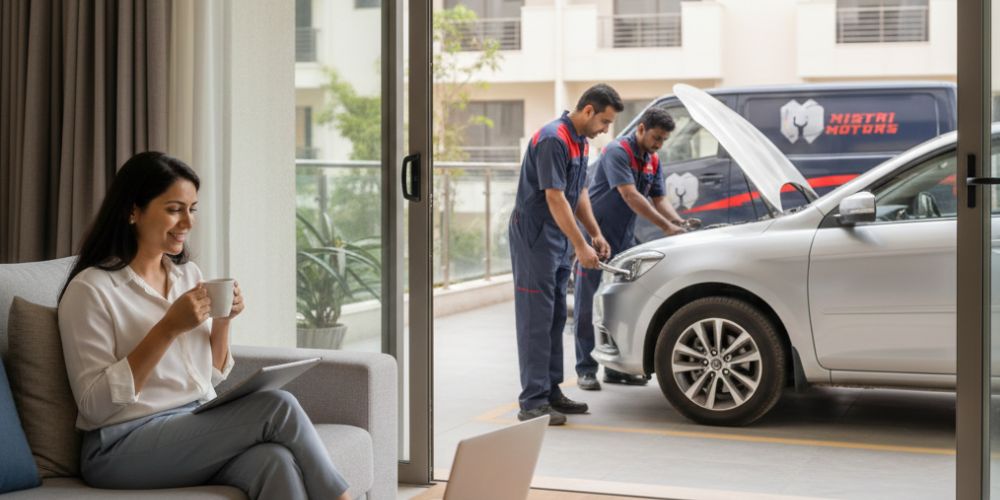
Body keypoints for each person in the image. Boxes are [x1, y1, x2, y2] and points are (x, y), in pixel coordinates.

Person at [57, 152, 351, 500]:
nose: (188, 222)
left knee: (274, 461)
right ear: (132, 211)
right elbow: (94, 406)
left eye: (192, 209)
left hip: (189, 424)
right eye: (173, 209)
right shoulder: (91, 290)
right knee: (278, 405)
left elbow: (207, 377)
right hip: (118, 444)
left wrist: (223, 321)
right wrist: (168, 328)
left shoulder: (187, 276)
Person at [509, 84, 623, 425]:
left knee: (557, 316)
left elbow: (580, 190)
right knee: (535, 321)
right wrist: (580, 245)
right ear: (588, 110)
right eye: (604, 121)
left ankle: (550, 391)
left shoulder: (580, 142)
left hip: (558, 236)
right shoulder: (553, 139)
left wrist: (594, 232)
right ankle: (532, 401)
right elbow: (555, 198)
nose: (606, 129)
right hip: (535, 237)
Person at [573, 107, 697, 391]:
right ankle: (585, 369)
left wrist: (678, 222)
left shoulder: (652, 159)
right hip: (597, 236)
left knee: (620, 302)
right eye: (656, 137)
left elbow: (659, 199)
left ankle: (615, 369)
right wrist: (666, 227)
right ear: (641, 129)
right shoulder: (617, 151)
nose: (659, 144)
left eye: (664, 140)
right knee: (586, 303)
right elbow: (629, 195)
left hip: (624, 240)